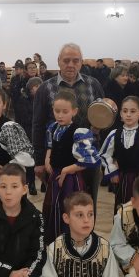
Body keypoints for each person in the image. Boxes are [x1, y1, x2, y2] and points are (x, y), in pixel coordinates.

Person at [32, 43, 105, 209]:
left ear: (81, 62)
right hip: (57, 160)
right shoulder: (45, 88)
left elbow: (103, 116)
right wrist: (39, 161)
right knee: (59, 204)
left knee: (87, 204)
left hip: (87, 158)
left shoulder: (93, 84)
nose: (71, 64)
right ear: (58, 61)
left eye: (75, 60)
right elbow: (38, 125)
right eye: (66, 60)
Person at [43, 90, 100, 244]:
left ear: (74, 111)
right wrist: (47, 158)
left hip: (71, 179)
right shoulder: (52, 128)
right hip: (55, 176)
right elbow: (50, 146)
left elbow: (91, 160)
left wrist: (67, 170)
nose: (60, 115)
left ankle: (71, 243)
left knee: (69, 209)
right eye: (57, 111)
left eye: (65, 112)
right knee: (53, 208)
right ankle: (54, 243)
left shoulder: (79, 132)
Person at [0, 87, 35, 211]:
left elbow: (26, 156)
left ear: (4, 104)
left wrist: (8, 169)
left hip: (7, 185)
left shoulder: (8, 127)